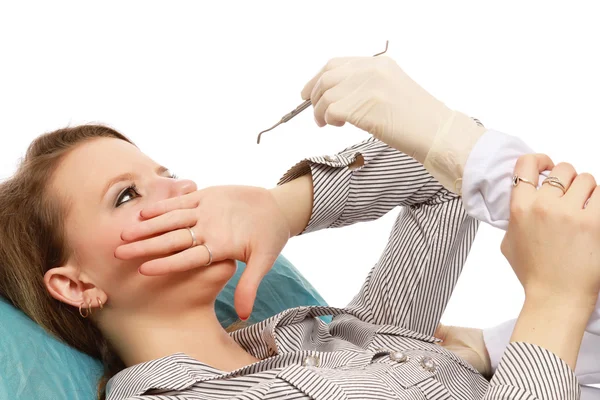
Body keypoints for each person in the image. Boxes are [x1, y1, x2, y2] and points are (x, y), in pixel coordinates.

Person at [0, 56, 597, 400]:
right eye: (128, 194)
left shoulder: (315, 334)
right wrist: (554, 304)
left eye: (170, 174)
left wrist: (287, 207)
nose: (182, 191)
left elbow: (439, 172)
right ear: (76, 285)